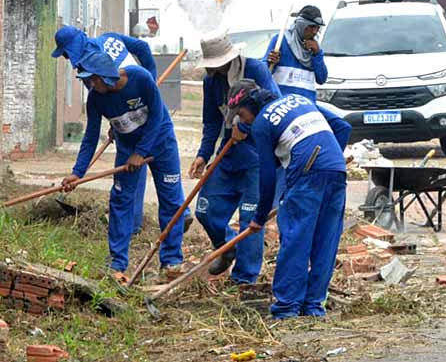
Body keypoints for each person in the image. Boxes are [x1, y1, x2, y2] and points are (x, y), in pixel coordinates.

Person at [51, 25, 192, 234]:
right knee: (133, 168)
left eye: (65, 54)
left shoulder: (91, 63)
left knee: (142, 162)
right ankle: (151, 218)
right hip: (130, 114)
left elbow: (110, 94)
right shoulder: (108, 39)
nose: (66, 60)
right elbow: (141, 47)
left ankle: (143, 222)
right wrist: (116, 121)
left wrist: (149, 82)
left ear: (72, 48)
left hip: (145, 117)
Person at [61, 51, 186, 283]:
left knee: (171, 200)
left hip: (161, 143)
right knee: (120, 200)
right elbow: (90, 137)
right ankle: (117, 262)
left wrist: (142, 152)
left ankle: (171, 260)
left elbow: (158, 116)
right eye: (87, 80)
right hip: (128, 146)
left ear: (106, 76)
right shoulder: (96, 99)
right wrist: (77, 172)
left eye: (93, 79)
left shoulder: (140, 78)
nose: (90, 84)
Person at [236, 89, 351, 319]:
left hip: (307, 171)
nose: (242, 120)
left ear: (252, 108)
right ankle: (314, 306)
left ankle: (287, 307)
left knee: (296, 239)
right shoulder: (299, 99)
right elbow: (342, 127)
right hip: (336, 169)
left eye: (241, 114)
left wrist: (259, 217)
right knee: (325, 242)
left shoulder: (261, 123)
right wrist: (330, 160)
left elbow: (267, 175)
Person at [188, 34, 282, 284]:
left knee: (250, 219)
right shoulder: (211, 81)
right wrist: (202, 154)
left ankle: (244, 279)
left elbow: (275, 109)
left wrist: (248, 130)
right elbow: (211, 122)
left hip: (257, 155)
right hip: (229, 153)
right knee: (205, 210)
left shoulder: (256, 69)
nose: (210, 68)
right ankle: (227, 247)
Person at [266, 5, 328, 101]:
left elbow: (321, 79)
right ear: (301, 25)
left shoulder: (314, 47)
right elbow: (264, 73)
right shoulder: (281, 40)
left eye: (317, 27)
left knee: (335, 117)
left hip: (307, 106)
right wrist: (269, 62)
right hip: (284, 104)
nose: (315, 31)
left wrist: (317, 54)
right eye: (311, 27)